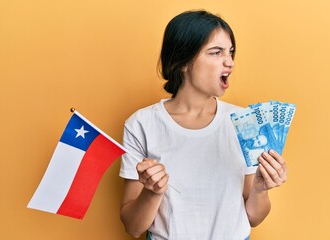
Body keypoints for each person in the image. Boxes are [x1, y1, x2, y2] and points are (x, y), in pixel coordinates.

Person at [119, 10, 287, 240]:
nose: (230, 62)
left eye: (231, 52)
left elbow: (254, 217)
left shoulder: (245, 122)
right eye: (216, 52)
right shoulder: (141, 124)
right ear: (183, 62)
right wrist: (152, 192)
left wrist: (260, 188)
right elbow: (133, 227)